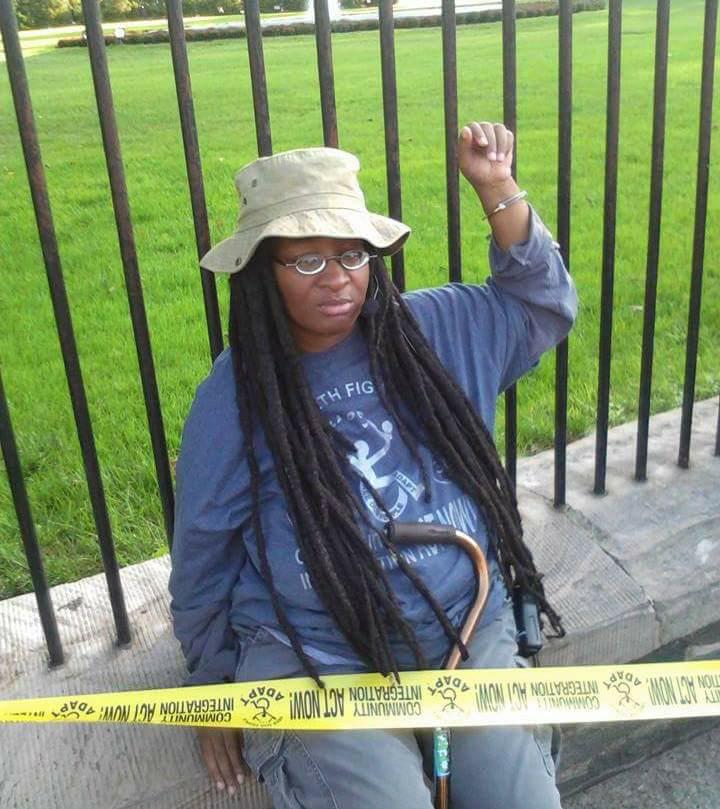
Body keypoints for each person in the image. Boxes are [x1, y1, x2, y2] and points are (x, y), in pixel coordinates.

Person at [169, 120, 578, 808]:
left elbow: (543, 304)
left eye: (353, 254)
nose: (337, 279)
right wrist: (210, 688)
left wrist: (497, 188)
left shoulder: (438, 329)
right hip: (317, 653)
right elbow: (203, 549)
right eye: (306, 260)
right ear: (260, 274)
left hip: (463, 621)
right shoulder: (238, 392)